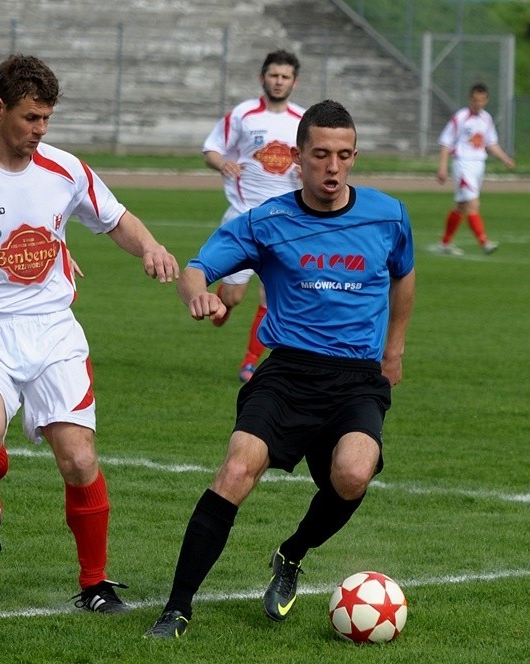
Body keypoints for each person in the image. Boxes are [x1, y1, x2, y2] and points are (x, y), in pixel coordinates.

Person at [0, 54, 179, 612]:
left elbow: (114, 216)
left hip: (52, 329)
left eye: (47, 119)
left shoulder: (64, 169)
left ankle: (94, 584)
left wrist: (150, 246)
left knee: (78, 459)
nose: (39, 131)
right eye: (30, 118)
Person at [145, 99, 415, 639]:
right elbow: (196, 269)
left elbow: (403, 276)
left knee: (353, 474)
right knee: (238, 469)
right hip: (288, 372)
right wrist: (198, 296)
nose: (332, 167)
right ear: (297, 157)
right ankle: (176, 608)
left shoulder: (388, 215)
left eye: (343, 155)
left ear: (355, 156)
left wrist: (395, 351)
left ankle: (291, 555)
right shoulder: (267, 221)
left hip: (357, 377)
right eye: (320, 155)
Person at [202, 49, 305, 383]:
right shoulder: (243, 115)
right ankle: (224, 303)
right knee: (232, 296)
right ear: (263, 78)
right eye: (273, 75)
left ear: (294, 81)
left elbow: (312, 159)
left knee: (273, 296)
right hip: (244, 217)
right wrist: (223, 163)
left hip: (286, 220)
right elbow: (211, 149)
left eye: (285, 76)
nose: (279, 81)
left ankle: (249, 363)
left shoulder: (303, 120)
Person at [434, 82, 515, 256]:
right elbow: (446, 143)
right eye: (476, 100)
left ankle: (444, 244)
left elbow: (491, 143)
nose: (479, 104)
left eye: (482, 100)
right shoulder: (461, 117)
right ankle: (484, 243)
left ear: (486, 100)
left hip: (479, 165)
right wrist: (442, 167)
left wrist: (505, 158)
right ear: (471, 99)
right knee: (472, 204)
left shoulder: (486, 119)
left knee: (461, 206)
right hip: (463, 164)